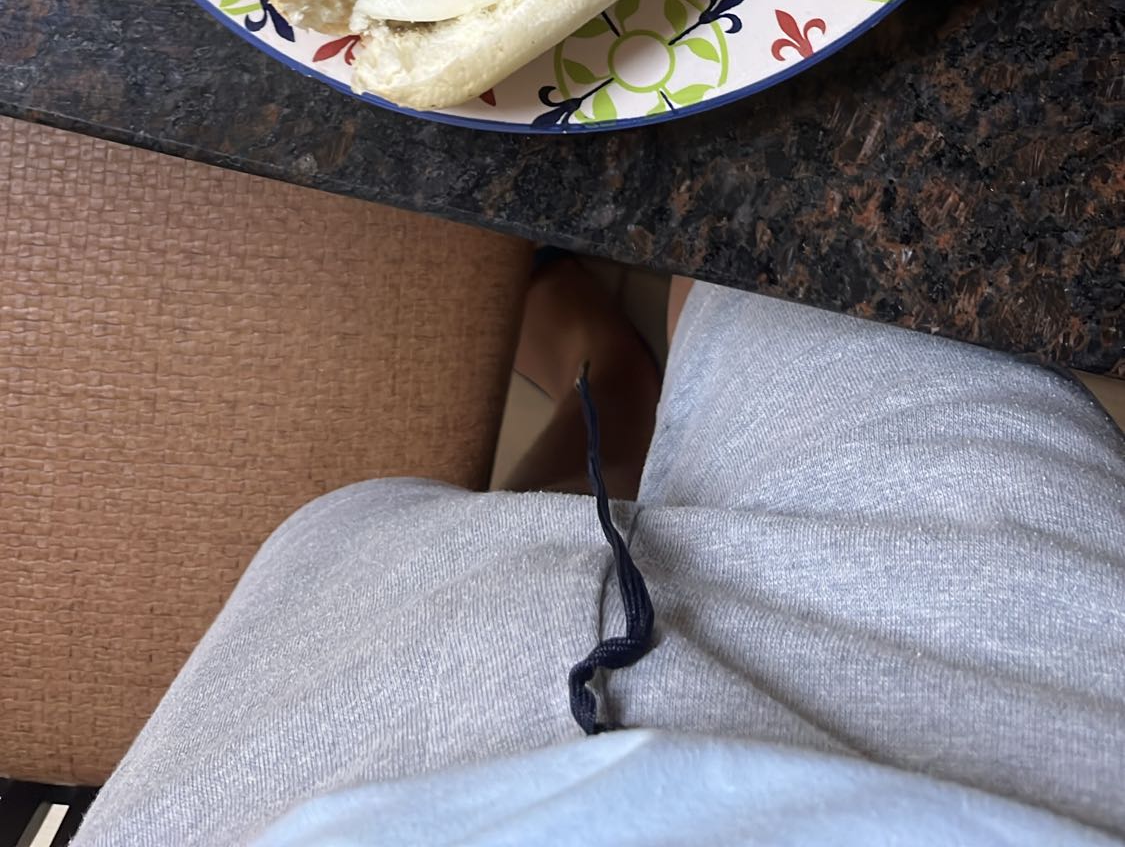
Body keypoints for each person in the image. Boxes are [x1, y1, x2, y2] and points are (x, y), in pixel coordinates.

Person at [79, 264, 1125, 845]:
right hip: (1007, 710)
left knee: (464, 569)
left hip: (305, 775)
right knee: (785, 279)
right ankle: (619, 383)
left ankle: (608, 390)